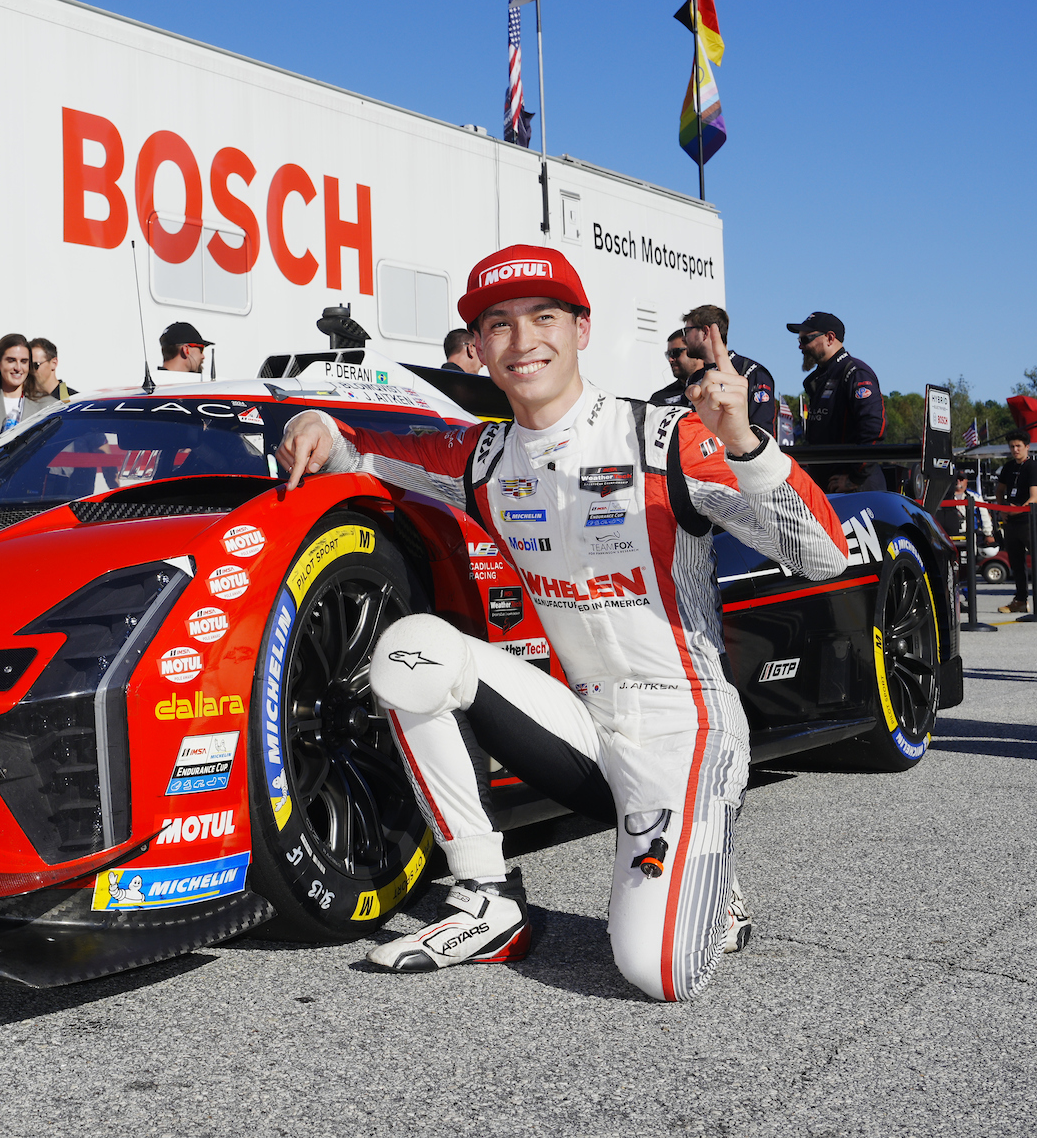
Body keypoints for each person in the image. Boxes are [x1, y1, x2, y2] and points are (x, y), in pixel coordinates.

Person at [275, 245, 847, 998]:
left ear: (582, 328)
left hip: (689, 732)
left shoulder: (665, 437)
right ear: (477, 350)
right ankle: (486, 897)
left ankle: (708, 873)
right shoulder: (480, 456)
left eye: (545, 317)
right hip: (585, 730)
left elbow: (823, 556)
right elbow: (367, 451)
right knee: (412, 653)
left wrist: (744, 444)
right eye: (499, 325)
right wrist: (316, 422)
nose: (524, 341)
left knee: (655, 971)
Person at [652, 305, 777, 444]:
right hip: (703, 462)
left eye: (687, 331)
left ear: (705, 332)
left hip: (738, 460)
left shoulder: (751, 371)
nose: (685, 338)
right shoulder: (694, 378)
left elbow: (763, 433)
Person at [790, 311, 884, 491]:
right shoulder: (821, 379)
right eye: (799, 341)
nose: (800, 347)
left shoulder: (854, 373)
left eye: (805, 340)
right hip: (828, 487)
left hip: (855, 489)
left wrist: (855, 478)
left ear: (830, 338)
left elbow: (874, 429)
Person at [994, 429, 1037, 615]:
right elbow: (999, 491)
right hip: (1011, 521)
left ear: (1027, 447)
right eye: (1012, 446)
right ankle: (1020, 600)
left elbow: (1034, 497)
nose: (1015, 450)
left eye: (1018, 446)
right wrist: (1003, 510)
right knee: (1015, 561)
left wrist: (1015, 510)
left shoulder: (1033, 468)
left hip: (1029, 520)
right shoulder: (1007, 467)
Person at [29, 338, 75, 405]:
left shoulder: (74, 400)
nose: (30, 370)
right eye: (28, 365)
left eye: (35, 365)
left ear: (54, 363)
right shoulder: (23, 400)